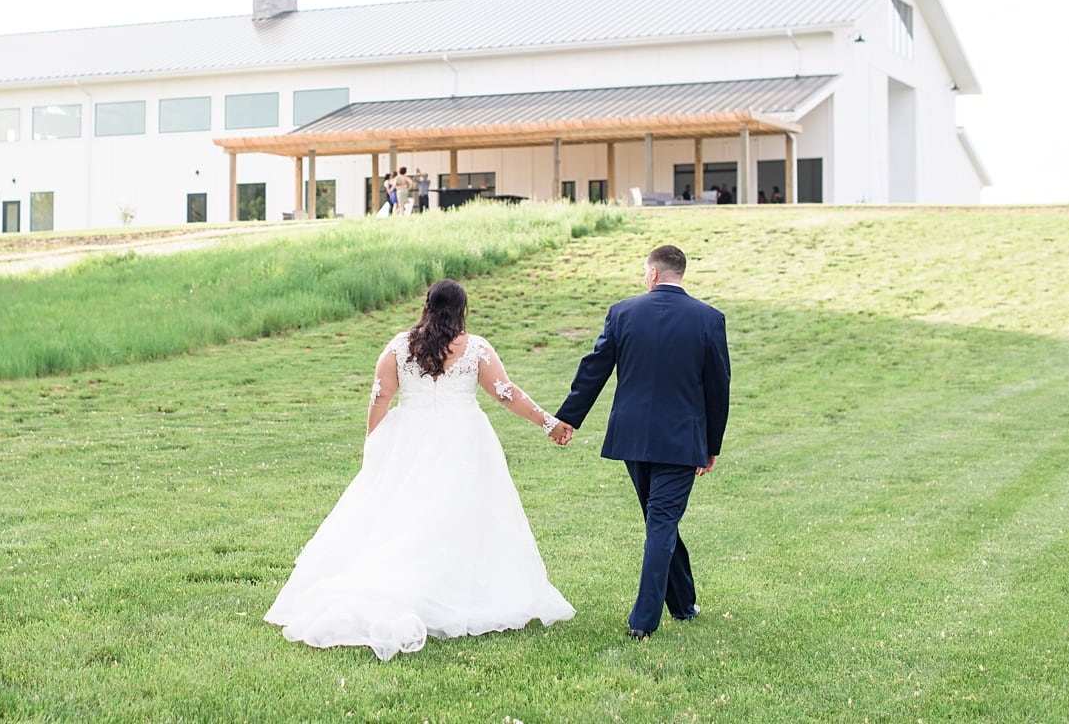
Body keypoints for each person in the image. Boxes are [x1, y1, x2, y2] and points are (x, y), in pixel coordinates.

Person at [266, 279, 574, 659]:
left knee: (406, 515)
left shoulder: (399, 347)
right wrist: (549, 423)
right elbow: (506, 393)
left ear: (427, 305)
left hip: (408, 440)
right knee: (460, 516)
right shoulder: (476, 348)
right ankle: (447, 590)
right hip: (463, 440)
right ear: (462, 309)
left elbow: (380, 398)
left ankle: (411, 587)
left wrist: (374, 445)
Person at [547, 244, 730, 639]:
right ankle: (653, 618)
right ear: (680, 274)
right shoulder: (709, 319)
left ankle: (673, 608)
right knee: (661, 520)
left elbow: (593, 369)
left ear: (652, 274)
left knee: (659, 520)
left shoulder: (623, 312)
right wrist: (711, 445)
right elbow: (719, 388)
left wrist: (568, 419)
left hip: (633, 437)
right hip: (682, 441)